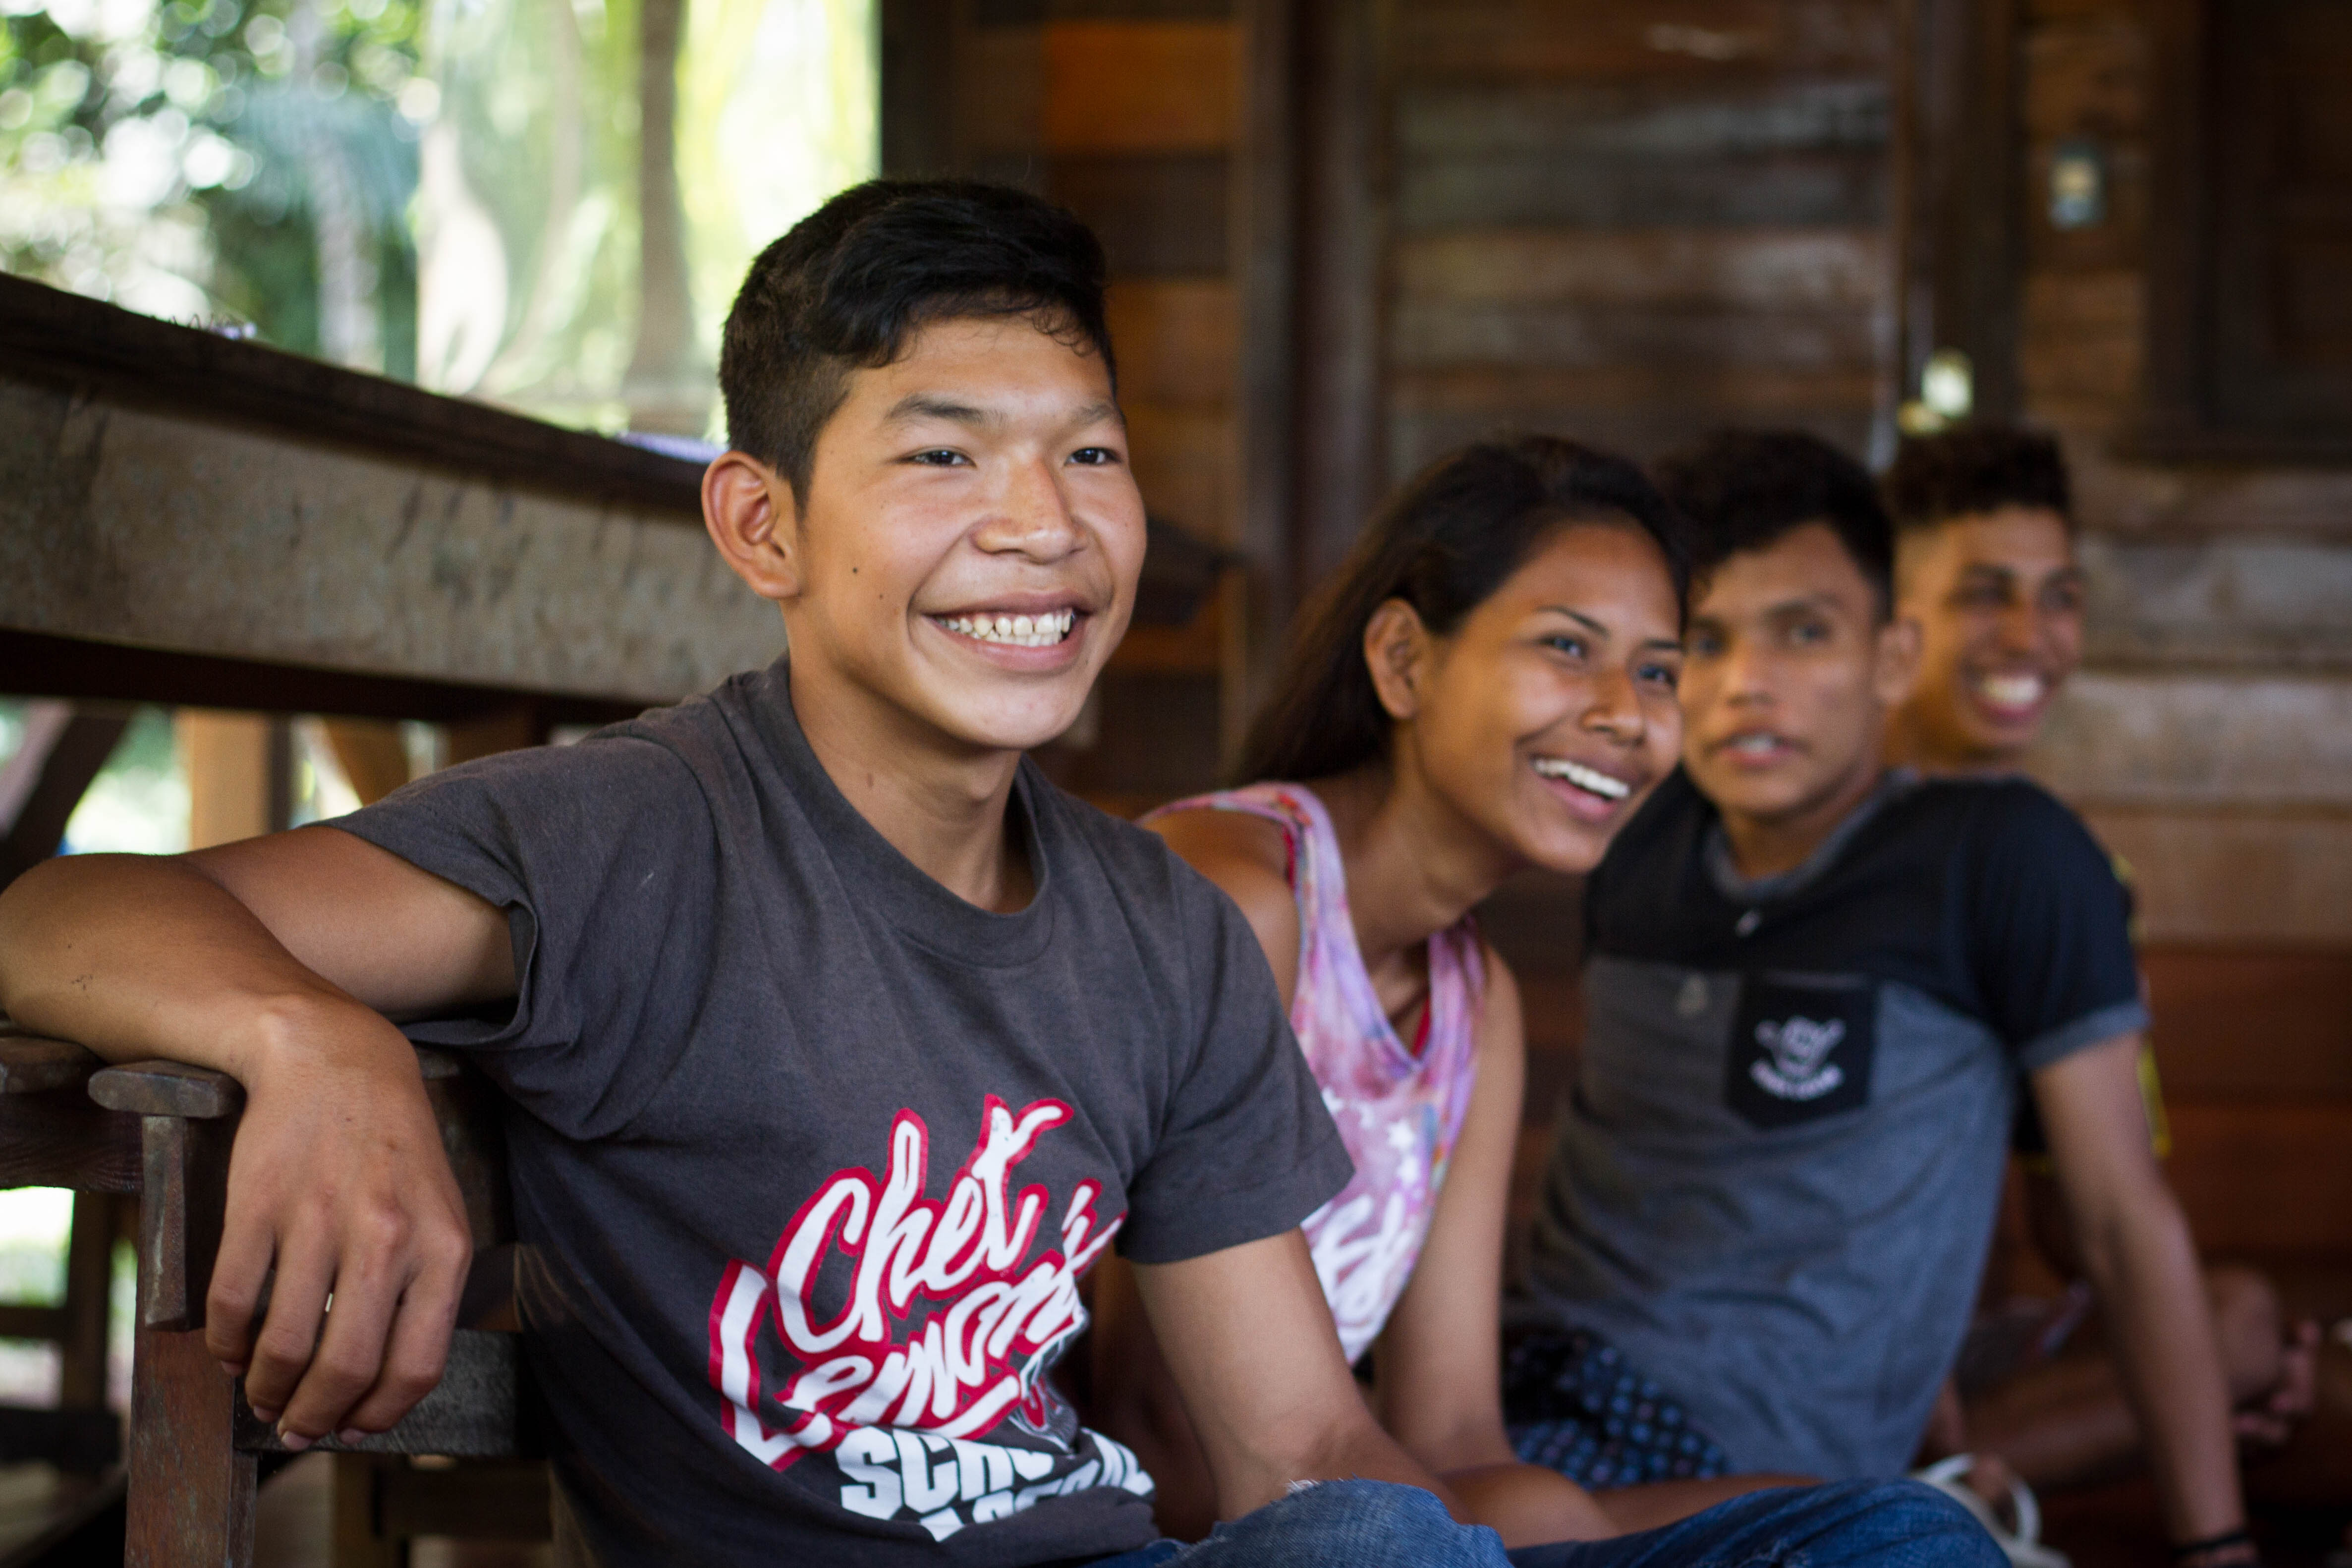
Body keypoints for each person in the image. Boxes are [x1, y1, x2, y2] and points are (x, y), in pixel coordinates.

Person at [0, 188, 1997, 1568]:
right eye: (943, 459)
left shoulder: (1152, 925)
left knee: (1890, 1533)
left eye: (1089, 459)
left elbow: (1306, 1449)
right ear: (761, 523)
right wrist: (307, 1031)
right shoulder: (631, 833)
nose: (1036, 531)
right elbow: (43, 914)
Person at [1506, 429, 2262, 1568]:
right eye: (1703, 642)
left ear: (1893, 655)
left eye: (1802, 632)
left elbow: (2112, 1217)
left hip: (1745, 1467)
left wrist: (2218, 1546)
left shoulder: (2006, 858)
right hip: (1515, 1396)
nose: (1748, 680)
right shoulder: (1630, 833)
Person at [1092, 437, 1809, 1546]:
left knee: (1879, 1524)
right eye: (1570, 647)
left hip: (1342, 1515)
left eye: (1659, 670)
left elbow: (1457, 1429)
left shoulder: (1478, 999)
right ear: (1404, 661)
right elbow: (1150, 1428)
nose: (1628, 713)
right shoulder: (1241, 900)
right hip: (1134, 1526)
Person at [1883, 423, 2343, 1508]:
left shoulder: (2065, 876)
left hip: (1962, 1352)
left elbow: (2080, 1222)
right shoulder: (1826, 839)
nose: (2030, 636)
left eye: (2060, 596)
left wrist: (2224, 1363)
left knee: (2252, 1331)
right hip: (1809, 1354)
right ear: (1891, 619)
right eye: (1985, 594)